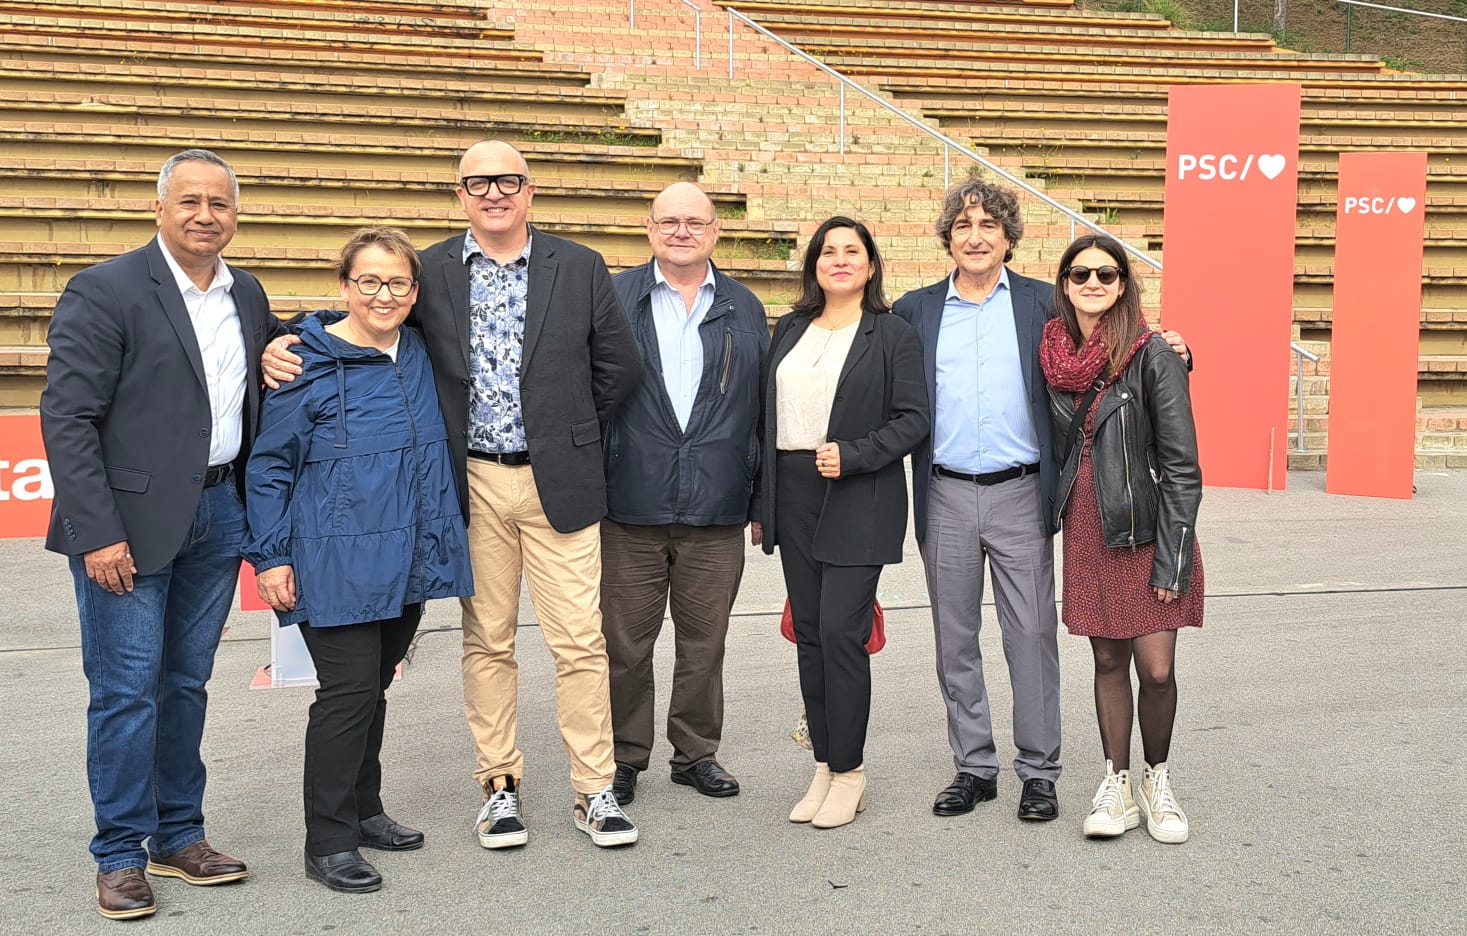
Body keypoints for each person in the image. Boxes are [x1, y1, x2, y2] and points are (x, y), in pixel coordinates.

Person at [264, 140, 643, 850]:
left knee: (580, 643)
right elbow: (361, 311)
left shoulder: (582, 266)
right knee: (487, 641)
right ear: (460, 193)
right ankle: (498, 788)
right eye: (477, 182)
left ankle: (595, 789)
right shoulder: (431, 270)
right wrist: (284, 338)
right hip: (466, 480)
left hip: (557, 481)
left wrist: (566, 432)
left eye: (506, 180)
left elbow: (617, 368)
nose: (493, 192)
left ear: (530, 190)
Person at [892, 180, 1190, 824]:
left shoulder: (1040, 305)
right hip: (942, 491)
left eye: (989, 226)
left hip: (1023, 491)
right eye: (964, 225)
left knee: (1030, 636)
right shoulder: (912, 310)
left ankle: (1039, 771)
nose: (976, 236)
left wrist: (1179, 351)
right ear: (948, 236)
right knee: (955, 640)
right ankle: (974, 766)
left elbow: (1114, 345)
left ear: (1008, 238)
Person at [40, 149, 282, 920]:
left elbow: (260, 371)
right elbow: (66, 417)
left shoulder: (246, 293)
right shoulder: (106, 290)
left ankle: (178, 835)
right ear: (159, 208)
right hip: (126, 528)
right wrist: (95, 532)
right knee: (124, 693)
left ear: (235, 214)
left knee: (184, 684)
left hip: (218, 518)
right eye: (190, 201)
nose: (205, 214)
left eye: (220, 202)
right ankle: (118, 853)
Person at [244, 227, 475, 892]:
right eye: (368, 280)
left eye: (398, 282)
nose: (383, 294)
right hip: (331, 558)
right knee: (344, 696)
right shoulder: (304, 362)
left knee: (372, 688)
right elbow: (269, 470)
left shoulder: (426, 353)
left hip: (408, 555)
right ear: (344, 286)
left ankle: (365, 809)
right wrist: (271, 557)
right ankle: (328, 841)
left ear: (415, 291)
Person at [756, 217, 929, 830]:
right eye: (828, 251)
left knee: (839, 633)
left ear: (872, 264)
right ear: (814, 265)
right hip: (792, 494)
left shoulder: (893, 334)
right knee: (808, 634)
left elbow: (914, 420)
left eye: (851, 251)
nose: (839, 260)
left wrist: (853, 454)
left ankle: (852, 772)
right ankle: (825, 765)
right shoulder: (791, 329)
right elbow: (766, 419)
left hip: (860, 494)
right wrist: (763, 502)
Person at [602, 182, 768, 805]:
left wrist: (759, 504)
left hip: (716, 505)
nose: (681, 232)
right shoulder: (614, 299)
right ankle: (624, 757)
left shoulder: (746, 308)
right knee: (624, 645)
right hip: (629, 504)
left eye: (694, 222)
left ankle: (696, 754)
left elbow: (760, 412)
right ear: (649, 229)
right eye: (668, 221)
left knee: (705, 643)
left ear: (715, 232)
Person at [1039, 234, 1203, 844]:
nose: (1092, 283)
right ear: (1064, 283)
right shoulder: (1053, 354)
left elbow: (1183, 465)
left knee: (1155, 669)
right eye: (1080, 273)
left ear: (1124, 284)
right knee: (1107, 658)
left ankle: (1158, 781)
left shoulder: (1152, 353)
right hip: (1087, 525)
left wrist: (1174, 558)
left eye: (1106, 274)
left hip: (1147, 528)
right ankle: (1117, 780)